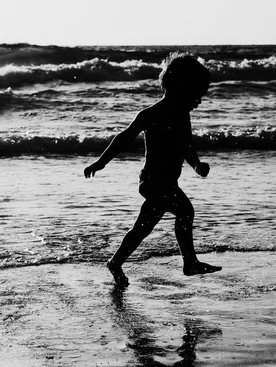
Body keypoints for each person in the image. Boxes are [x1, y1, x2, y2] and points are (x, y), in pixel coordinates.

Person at [84, 52, 221, 287]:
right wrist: (101, 162)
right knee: (185, 212)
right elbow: (123, 138)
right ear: (180, 85)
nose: (196, 100)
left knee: (143, 228)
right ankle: (189, 262)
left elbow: (185, 145)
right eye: (194, 93)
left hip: (168, 181)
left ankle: (115, 262)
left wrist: (196, 165)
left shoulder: (182, 115)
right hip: (155, 181)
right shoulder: (151, 114)